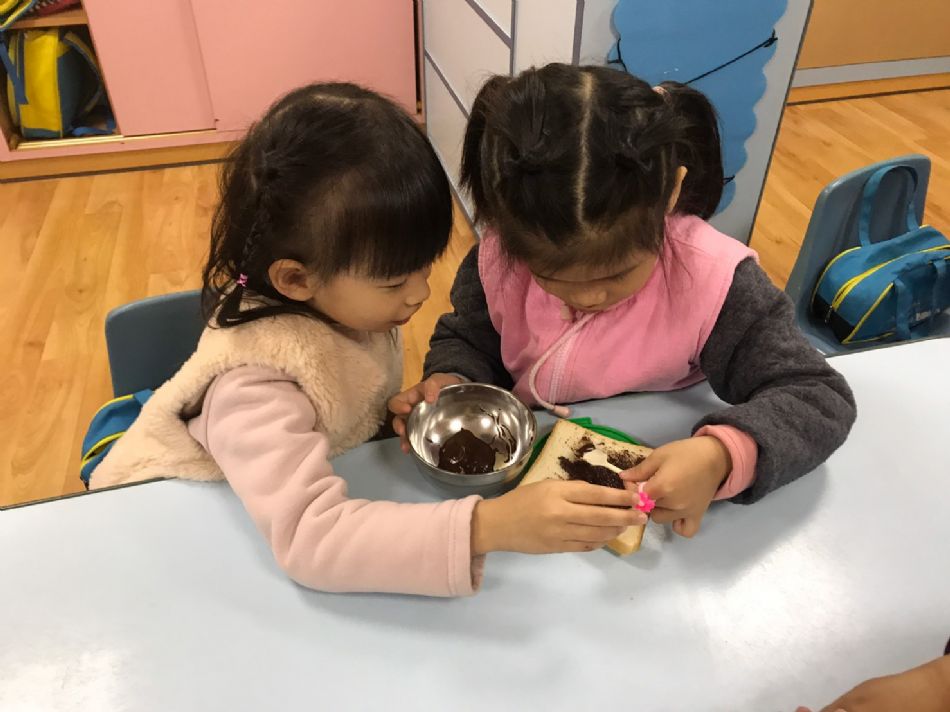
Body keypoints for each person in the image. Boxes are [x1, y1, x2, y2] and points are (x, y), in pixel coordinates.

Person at [88, 82, 644, 597]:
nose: (421, 294)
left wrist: (384, 416)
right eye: (394, 282)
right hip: (174, 547)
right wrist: (487, 526)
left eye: (424, 268)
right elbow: (312, 542)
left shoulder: (336, 302)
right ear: (295, 279)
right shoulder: (253, 390)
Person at [392, 64, 856, 537]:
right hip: (531, 483)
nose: (590, 297)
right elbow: (469, 337)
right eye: (552, 277)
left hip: (668, 477)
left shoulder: (717, 282)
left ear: (671, 191)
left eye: (618, 273)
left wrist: (722, 454)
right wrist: (455, 381)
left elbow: (817, 397)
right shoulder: (499, 258)